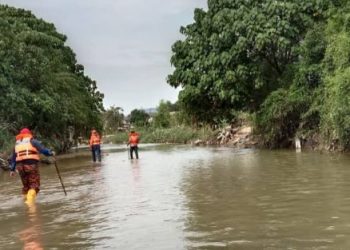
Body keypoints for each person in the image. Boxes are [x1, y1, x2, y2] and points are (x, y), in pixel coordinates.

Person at [10, 128, 54, 203]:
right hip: (30, 165)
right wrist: (51, 153)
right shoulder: (33, 141)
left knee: (26, 186)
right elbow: (43, 150)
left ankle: (25, 201)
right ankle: (29, 204)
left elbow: (13, 158)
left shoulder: (16, 145)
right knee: (34, 185)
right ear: (29, 134)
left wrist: (12, 170)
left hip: (20, 167)